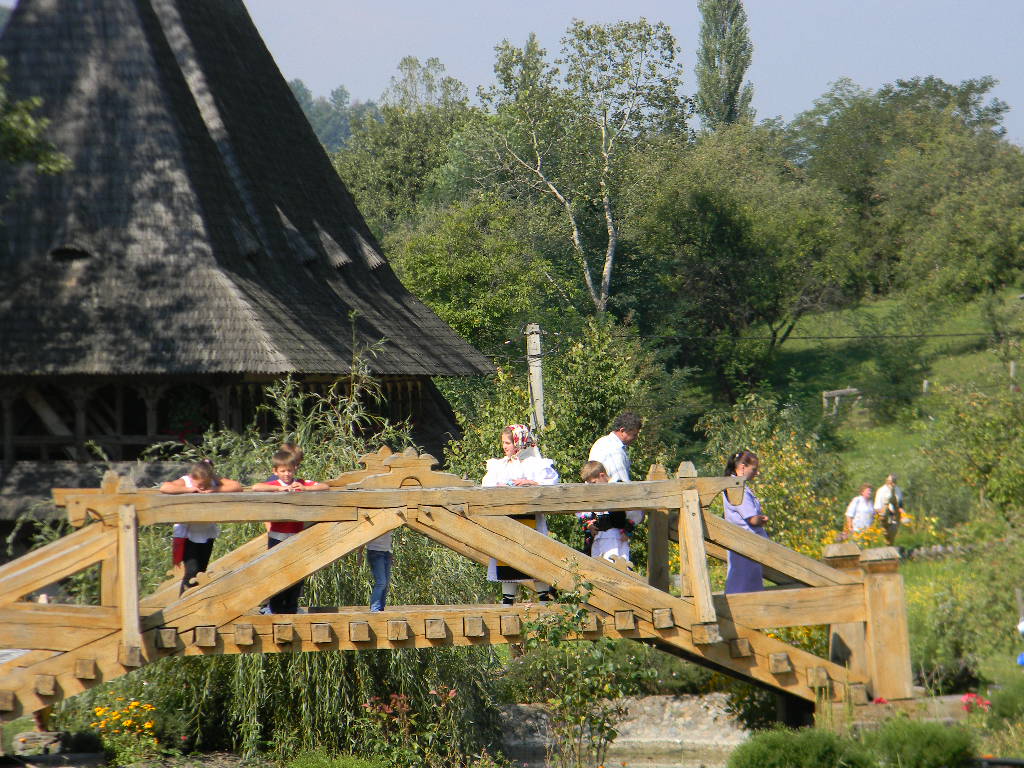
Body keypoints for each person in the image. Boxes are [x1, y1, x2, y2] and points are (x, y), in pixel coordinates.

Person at [482, 424, 559, 604]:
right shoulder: (499, 465)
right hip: (507, 522)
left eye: (508, 442)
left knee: (536, 560)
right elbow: (487, 485)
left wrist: (530, 483)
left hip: (532, 521)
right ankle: (507, 604)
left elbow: (551, 483)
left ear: (519, 442)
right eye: (503, 442)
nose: (504, 446)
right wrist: (499, 487)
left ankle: (545, 604)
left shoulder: (535, 464)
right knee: (507, 559)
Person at [252, 449, 329, 613]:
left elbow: (324, 486)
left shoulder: (300, 482)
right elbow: (256, 487)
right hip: (277, 536)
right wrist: (279, 490)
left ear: (295, 469)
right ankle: (276, 608)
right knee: (276, 573)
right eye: (282, 471)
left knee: (297, 573)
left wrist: (305, 489)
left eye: (289, 470)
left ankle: (291, 607)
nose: (286, 474)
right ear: (275, 472)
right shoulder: (275, 484)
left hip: (296, 536)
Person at [160, 459, 243, 594]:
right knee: (191, 572)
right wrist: (189, 489)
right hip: (188, 532)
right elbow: (164, 487)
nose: (203, 488)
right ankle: (184, 602)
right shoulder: (186, 481)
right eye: (200, 484)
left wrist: (215, 488)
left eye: (205, 484)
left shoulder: (213, 481)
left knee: (201, 572)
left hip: (206, 531)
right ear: (192, 478)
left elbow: (237, 487)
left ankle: (196, 600)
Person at [578, 461, 643, 565]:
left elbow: (635, 511)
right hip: (597, 537)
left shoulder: (618, 487)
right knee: (597, 569)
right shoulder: (593, 491)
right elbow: (582, 510)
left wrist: (628, 530)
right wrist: (589, 524)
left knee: (614, 567)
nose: (592, 487)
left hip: (615, 537)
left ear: (602, 475)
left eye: (594, 483)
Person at [722, 450, 769, 594]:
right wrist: (763, 519)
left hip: (746, 546)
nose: (757, 473)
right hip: (746, 546)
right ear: (742, 467)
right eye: (754, 469)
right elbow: (752, 519)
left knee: (743, 583)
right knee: (743, 586)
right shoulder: (737, 487)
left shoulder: (737, 485)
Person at [588, 411, 642, 484]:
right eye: (634, 435)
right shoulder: (614, 449)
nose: (636, 438)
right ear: (622, 431)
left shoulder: (603, 442)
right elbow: (621, 484)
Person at [874, 473, 905, 545]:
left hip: (895, 518)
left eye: (894, 482)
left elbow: (900, 504)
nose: (892, 484)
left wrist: (902, 513)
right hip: (884, 518)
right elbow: (877, 507)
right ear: (887, 481)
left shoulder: (898, 490)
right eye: (891, 481)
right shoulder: (881, 491)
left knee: (892, 538)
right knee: (885, 538)